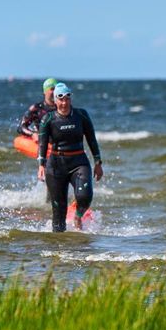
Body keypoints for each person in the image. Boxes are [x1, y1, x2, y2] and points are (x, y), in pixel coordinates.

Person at [36, 83, 102, 231]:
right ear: (55, 101)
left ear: (70, 99)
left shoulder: (81, 115)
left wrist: (98, 162)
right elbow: (42, 144)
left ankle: (78, 216)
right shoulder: (48, 119)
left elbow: (91, 139)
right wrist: (41, 165)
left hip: (79, 162)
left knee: (85, 196)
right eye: (61, 99)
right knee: (58, 216)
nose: (64, 103)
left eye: (67, 99)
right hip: (56, 166)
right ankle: (60, 249)